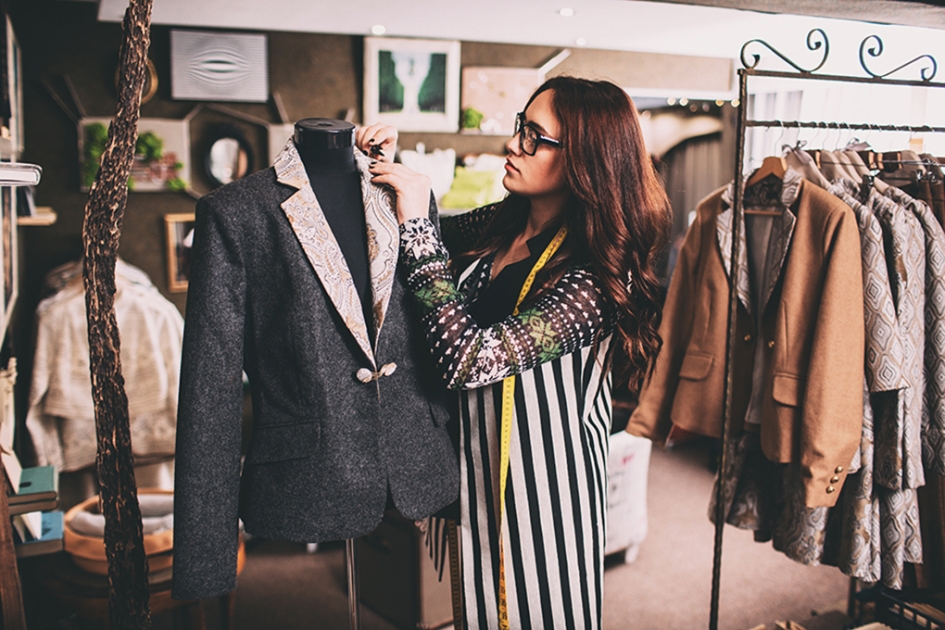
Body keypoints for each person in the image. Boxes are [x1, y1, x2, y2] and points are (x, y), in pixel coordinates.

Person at [360, 76, 671, 629]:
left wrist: (418, 223)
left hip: (545, 488)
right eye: (520, 127)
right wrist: (391, 168)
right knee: (477, 610)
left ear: (585, 159)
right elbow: (425, 236)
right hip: (475, 467)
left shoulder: (594, 280)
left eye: (534, 137)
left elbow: (467, 360)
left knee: (537, 610)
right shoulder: (505, 222)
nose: (513, 144)